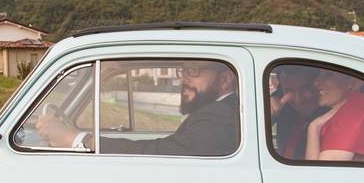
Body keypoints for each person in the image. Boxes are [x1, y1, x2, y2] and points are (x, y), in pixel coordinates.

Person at [36, 61, 239, 156]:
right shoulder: (215, 111)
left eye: (194, 71)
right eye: (183, 70)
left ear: (225, 80)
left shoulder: (220, 115)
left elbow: (164, 152)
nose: (184, 78)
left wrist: (77, 139)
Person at [305, 70, 364, 162]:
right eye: (320, 75)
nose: (315, 83)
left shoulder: (353, 115)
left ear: (352, 83)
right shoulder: (348, 112)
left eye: (328, 75)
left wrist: (313, 127)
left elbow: (316, 173)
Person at [269, 65, 326, 160]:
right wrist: (267, 115)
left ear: (318, 85)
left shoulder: (332, 116)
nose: (298, 99)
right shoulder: (282, 107)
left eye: (305, 88)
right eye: (289, 91)